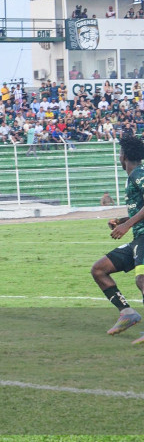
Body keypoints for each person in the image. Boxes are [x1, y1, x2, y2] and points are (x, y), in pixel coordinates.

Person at [90, 135, 144, 344]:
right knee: (99, 269)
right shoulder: (134, 176)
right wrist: (123, 220)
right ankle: (127, 313)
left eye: (119, 153)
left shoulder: (139, 174)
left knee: (142, 279)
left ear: (124, 156)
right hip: (138, 237)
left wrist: (126, 225)